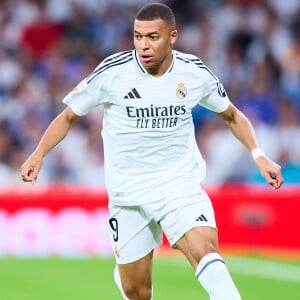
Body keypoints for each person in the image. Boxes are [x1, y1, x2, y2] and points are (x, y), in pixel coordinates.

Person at [21, 3, 284, 300]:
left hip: (178, 186)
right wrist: (38, 153)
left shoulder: (194, 72)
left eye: (152, 37)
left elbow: (233, 115)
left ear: (172, 36)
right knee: (138, 292)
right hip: (129, 194)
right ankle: (126, 275)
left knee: (205, 250)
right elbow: (68, 116)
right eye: (137, 36)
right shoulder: (113, 72)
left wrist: (258, 155)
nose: (143, 45)